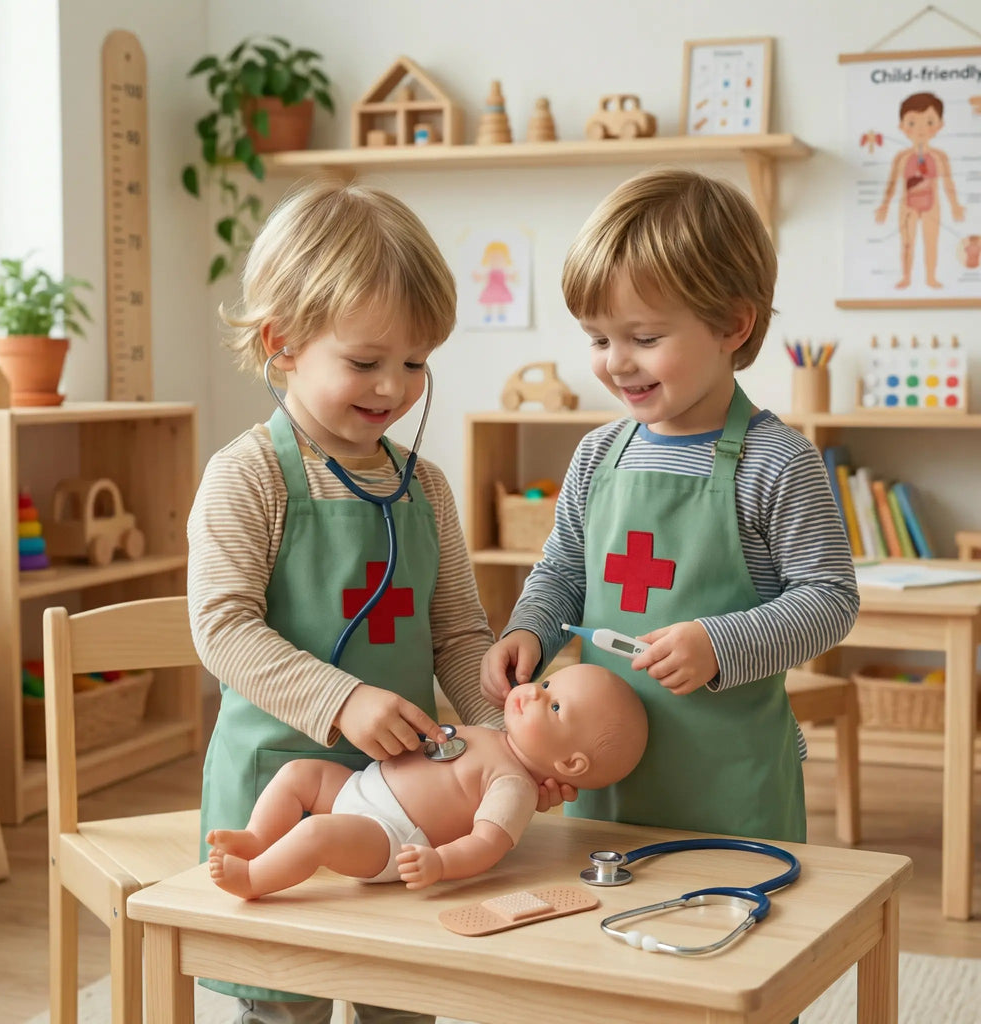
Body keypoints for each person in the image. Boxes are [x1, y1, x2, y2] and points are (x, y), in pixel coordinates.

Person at [188, 179, 514, 1024]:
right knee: (284, 1001)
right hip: (276, 791)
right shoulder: (248, 475)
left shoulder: (426, 487)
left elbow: (458, 631)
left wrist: (503, 741)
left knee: (402, 993)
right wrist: (344, 700)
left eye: (415, 363)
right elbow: (222, 630)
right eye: (365, 362)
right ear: (282, 343)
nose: (393, 388)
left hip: (407, 803)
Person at [480, 168, 860, 848]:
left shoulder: (779, 462)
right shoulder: (598, 454)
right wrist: (529, 633)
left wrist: (722, 644)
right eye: (599, 339)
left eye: (644, 338)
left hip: (728, 780)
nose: (616, 363)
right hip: (603, 776)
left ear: (731, 326)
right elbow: (565, 571)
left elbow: (829, 598)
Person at [207, 662, 648, 898]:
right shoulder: (496, 737)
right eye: (548, 682)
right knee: (299, 773)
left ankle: (252, 879)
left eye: (553, 707)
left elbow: (486, 844)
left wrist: (439, 865)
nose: (534, 690)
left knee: (316, 833)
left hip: (388, 836)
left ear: (571, 765)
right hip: (361, 786)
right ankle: (257, 835)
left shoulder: (514, 786)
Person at [874, 91, 965, 289]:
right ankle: (906, 276)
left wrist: (955, 205)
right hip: (908, 205)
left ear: (940, 125)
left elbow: (948, 183)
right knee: (907, 243)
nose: (921, 128)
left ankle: (930, 277)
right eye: (913, 122)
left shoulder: (940, 157)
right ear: (902, 127)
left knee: (930, 241)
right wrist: (884, 206)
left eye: (929, 122)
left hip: (932, 204)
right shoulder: (902, 157)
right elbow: (891, 183)